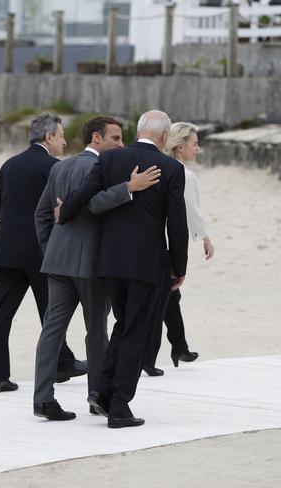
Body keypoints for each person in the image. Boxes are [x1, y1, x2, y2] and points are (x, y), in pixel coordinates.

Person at [56, 110, 188, 428]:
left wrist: (65, 211)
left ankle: (101, 392)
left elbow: (84, 195)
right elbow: (177, 223)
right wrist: (179, 266)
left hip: (111, 261)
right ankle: (119, 407)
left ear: (139, 130)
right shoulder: (171, 168)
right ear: (165, 135)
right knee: (135, 332)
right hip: (146, 262)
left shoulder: (110, 160)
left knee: (123, 325)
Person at [33, 116, 162, 420]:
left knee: (52, 330)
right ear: (96, 138)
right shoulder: (102, 168)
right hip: (91, 263)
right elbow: (93, 203)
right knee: (97, 331)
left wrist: (50, 250)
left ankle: (42, 399)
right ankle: (96, 396)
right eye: (116, 138)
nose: (121, 144)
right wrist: (129, 188)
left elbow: (41, 215)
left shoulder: (59, 166)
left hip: (58, 262)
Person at [0, 113, 86, 394]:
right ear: (49, 137)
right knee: (52, 313)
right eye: (61, 136)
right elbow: (60, 212)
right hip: (41, 252)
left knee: (2, 314)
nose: (64, 142)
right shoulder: (54, 167)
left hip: (7, 251)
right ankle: (61, 364)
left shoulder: (9, 165)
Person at [142, 122, 214, 376]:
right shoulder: (183, 173)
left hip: (153, 241)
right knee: (163, 298)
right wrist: (205, 236)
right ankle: (150, 358)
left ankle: (179, 347)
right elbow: (191, 210)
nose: (197, 149)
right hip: (169, 243)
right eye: (194, 144)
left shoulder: (156, 166)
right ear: (180, 146)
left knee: (171, 296)